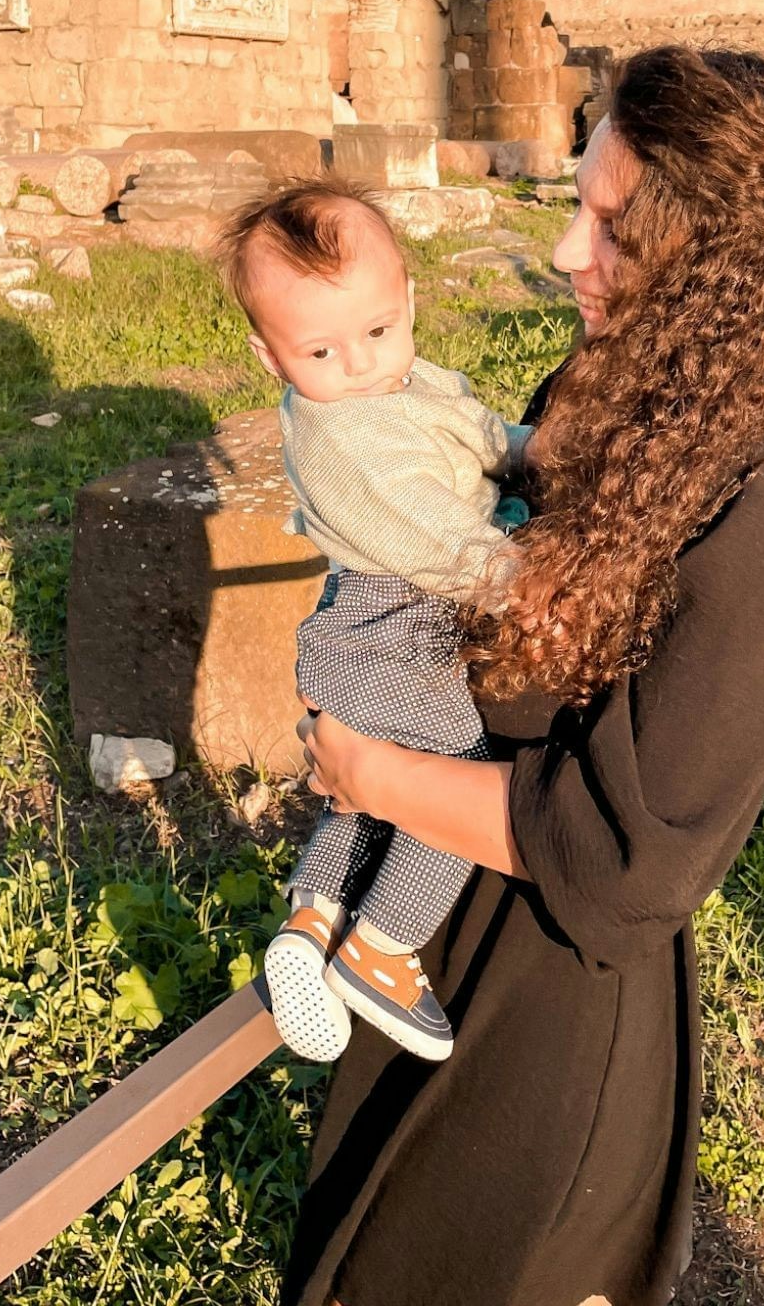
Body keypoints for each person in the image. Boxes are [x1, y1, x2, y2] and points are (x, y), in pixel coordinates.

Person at [281, 46, 764, 1306]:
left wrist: (367, 769)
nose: (563, 254)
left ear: (720, 264)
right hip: (430, 934)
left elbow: (627, 862)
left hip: (547, 1012)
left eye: (612, 227)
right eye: (574, 208)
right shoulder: (623, 397)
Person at [214, 180, 532, 1064]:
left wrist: (527, 448)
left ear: (409, 303)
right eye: (321, 350)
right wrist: (542, 588)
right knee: (448, 782)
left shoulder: (402, 383)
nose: (358, 363)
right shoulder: (348, 440)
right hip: (397, 625)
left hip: (375, 630)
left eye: (379, 331)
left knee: (373, 783)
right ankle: (384, 947)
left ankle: (314, 918)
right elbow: (451, 549)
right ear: (271, 358)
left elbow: (469, 431)